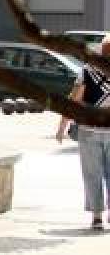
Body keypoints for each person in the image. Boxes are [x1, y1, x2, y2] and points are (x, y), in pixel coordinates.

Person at [56, 32, 110, 230]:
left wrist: (62, 126)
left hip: (89, 130)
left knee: (92, 174)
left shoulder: (87, 71)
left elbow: (74, 100)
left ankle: (97, 216)